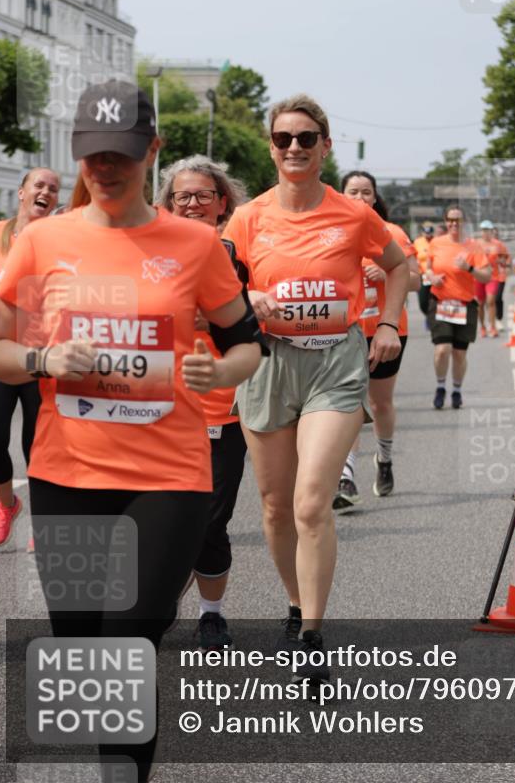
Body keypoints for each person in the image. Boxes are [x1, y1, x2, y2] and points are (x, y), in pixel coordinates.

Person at [0, 80, 263, 781]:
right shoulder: (43, 241)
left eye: (121, 153)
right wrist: (44, 359)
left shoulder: (194, 244)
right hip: (67, 472)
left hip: (168, 477)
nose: (106, 167)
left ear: (152, 150)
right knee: (82, 645)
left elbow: (247, 343)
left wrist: (220, 371)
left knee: (127, 639)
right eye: (93, 154)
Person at [223, 93, 409, 677]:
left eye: (306, 138)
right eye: (284, 139)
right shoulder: (248, 218)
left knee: (310, 502)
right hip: (269, 364)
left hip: (336, 362)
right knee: (276, 507)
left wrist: (387, 324)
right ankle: (295, 601)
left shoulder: (353, 214)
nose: (295, 147)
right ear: (271, 147)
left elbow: (399, 266)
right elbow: (216, 282)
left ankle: (311, 634)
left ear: (325, 146)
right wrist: (246, 296)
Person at [157, 155, 251, 652]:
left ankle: (210, 615)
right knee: (159, 520)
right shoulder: (146, 251)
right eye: (182, 196)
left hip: (220, 411)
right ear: (168, 203)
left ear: (221, 202)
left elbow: (256, 321)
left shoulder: (237, 253)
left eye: (202, 195)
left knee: (211, 523)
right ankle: (157, 600)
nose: (192, 204)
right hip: (154, 411)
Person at [333, 170, 420, 508]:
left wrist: (386, 273)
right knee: (350, 403)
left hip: (388, 330)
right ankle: (346, 476)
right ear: (341, 195)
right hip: (345, 332)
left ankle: (384, 458)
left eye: (366, 192)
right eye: (353, 191)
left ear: (375, 197)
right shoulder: (332, 233)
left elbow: (416, 280)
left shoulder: (392, 232)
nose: (360, 198)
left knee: (380, 403)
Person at [0, 167, 60, 547]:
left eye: (53, 188)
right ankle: (7, 504)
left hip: (42, 360)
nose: (46, 191)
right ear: (21, 192)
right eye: (39, 185)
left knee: (39, 448)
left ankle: (42, 521)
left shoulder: (60, 243)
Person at [425, 204, 490, 409]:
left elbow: (487, 276)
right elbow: (427, 268)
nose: (454, 223)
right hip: (441, 302)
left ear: (464, 222)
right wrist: (432, 277)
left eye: (458, 220)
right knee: (442, 350)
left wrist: (469, 268)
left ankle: (456, 390)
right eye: (450, 220)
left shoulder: (473, 247)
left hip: (465, 305)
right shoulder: (436, 243)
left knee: (459, 354)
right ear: (446, 222)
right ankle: (440, 387)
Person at [475, 219, 509, 338]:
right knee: (480, 303)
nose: (486, 232)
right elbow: (470, 258)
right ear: (481, 231)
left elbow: (505, 259)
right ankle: (483, 327)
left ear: (492, 231)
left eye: (488, 230)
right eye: (484, 230)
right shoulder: (476, 244)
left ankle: (493, 327)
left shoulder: (498, 244)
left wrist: (500, 261)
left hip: (492, 276)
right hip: (479, 276)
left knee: (490, 301)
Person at [413, 221, 434, 317]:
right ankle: (428, 315)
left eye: (430, 233)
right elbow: (413, 256)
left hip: (434, 275)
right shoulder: (418, 242)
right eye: (426, 233)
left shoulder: (436, 242)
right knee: (423, 301)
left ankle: (432, 318)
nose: (428, 235)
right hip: (422, 275)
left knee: (433, 299)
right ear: (422, 232)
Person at [492, 226, 511, 328]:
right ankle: (493, 321)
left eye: (496, 234)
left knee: (498, 297)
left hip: (501, 276)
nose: (494, 236)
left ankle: (498, 319)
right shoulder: (487, 247)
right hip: (490, 277)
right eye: (493, 234)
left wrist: (503, 262)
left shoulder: (502, 247)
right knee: (490, 299)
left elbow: (507, 261)